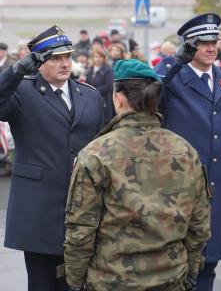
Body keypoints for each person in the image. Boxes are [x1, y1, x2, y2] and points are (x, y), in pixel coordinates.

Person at [64, 59, 211, 291]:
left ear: (118, 99)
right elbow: (199, 225)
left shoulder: (95, 154)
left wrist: (74, 281)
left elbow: (80, 231)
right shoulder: (185, 151)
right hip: (171, 279)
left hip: (111, 281)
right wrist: (191, 272)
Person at [0, 25, 105, 291]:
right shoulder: (21, 92)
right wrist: (16, 71)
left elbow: (103, 145)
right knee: (43, 283)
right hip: (39, 209)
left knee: (79, 283)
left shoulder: (90, 95)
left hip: (83, 210)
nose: (64, 63)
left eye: (67, 56)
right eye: (55, 58)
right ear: (38, 63)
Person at [155, 13, 221, 291]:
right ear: (188, 46)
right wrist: (173, 62)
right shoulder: (173, 78)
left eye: (214, 42)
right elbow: (148, 95)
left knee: (210, 261)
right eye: (202, 43)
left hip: (219, 183)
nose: (210, 48)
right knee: (180, 261)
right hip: (182, 187)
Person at [85, 49, 115, 123]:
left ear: (104, 58)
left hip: (104, 101)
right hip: (91, 101)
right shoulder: (90, 70)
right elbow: (87, 83)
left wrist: (94, 91)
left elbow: (109, 86)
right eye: (95, 57)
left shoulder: (108, 70)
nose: (97, 59)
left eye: (100, 57)